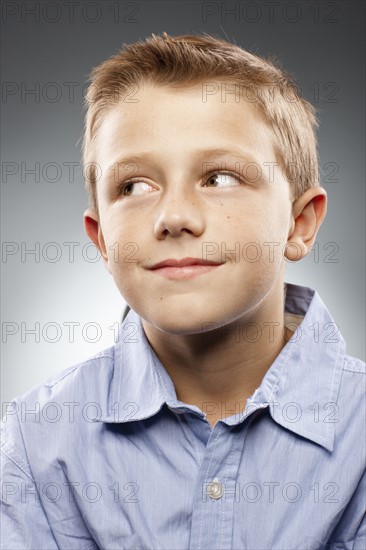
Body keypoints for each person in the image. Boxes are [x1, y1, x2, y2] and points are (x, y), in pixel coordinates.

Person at [1, 32, 365, 550]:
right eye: (134, 186)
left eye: (219, 178)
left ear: (299, 223)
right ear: (102, 239)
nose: (174, 217)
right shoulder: (36, 441)